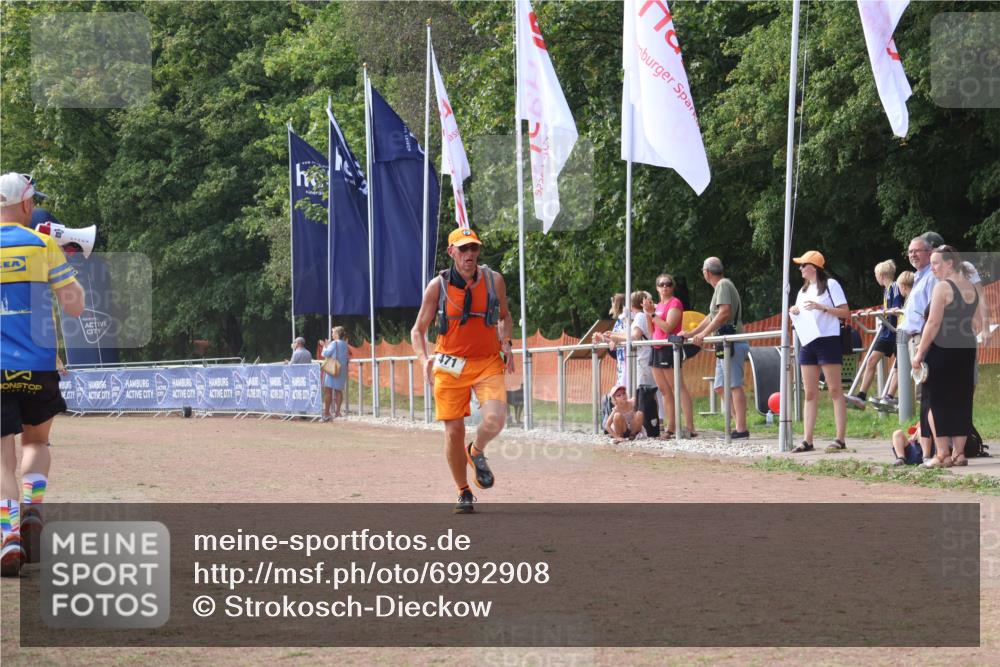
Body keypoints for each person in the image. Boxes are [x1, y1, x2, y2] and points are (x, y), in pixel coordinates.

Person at [1, 173, 85, 576]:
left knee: (1, 458)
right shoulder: (43, 244)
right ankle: (32, 511)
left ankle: (8, 536)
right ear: (28, 205)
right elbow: (75, 307)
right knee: (37, 441)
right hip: (37, 363)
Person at [411, 227, 514, 514]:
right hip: (448, 364)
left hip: (486, 361)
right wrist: (423, 360)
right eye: (463, 248)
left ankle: (476, 451)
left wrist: (506, 342)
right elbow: (418, 330)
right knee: (453, 432)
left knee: (495, 418)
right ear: (451, 252)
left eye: (474, 249)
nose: (469, 254)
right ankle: (463, 491)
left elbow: (505, 317)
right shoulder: (437, 286)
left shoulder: (494, 281)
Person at [911, 245, 982, 468]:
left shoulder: (942, 287)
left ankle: (942, 454)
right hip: (966, 348)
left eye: (936, 263)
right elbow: (977, 324)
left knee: (935, 400)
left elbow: (932, 323)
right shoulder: (971, 287)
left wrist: (919, 352)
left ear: (949, 263)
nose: (932, 268)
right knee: (961, 399)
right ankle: (959, 454)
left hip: (942, 349)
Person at [788, 250, 851, 453]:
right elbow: (799, 312)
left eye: (802, 265)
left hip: (828, 339)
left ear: (813, 267)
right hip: (808, 340)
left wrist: (822, 307)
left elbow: (845, 312)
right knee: (810, 392)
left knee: (834, 389)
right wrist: (793, 311)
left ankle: (840, 438)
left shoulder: (831, 285)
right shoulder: (803, 290)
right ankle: (808, 439)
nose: (800, 268)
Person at [684, 257, 750, 439]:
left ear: (706, 273)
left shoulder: (722, 285)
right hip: (723, 343)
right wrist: (691, 333)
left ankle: (741, 429)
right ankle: (738, 425)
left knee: (734, 385)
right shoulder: (720, 288)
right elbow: (711, 316)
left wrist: (703, 334)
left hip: (732, 342)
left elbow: (724, 313)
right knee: (720, 386)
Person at [600, 290, 660, 437]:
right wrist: (613, 336)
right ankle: (653, 423)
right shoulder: (643, 316)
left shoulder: (639, 316)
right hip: (646, 357)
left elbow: (633, 336)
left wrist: (614, 337)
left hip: (643, 359)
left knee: (646, 393)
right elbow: (630, 335)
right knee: (650, 393)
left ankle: (651, 424)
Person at [848, 260, 903, 410]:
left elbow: (897, 307)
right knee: (871, 360)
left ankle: (890, 396)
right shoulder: (886, 290)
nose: (875, 277)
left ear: (882, 275)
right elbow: (886, 307)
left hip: (895, 330)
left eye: (876, 275)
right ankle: (861, 396)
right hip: (886, 331)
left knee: (899, 365)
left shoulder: (895, 287)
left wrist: (884, 313)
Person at [644, 274, 695, 438]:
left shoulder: (675, 303)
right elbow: (652, 332)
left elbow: (668, 327)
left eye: (668, 284)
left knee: (678, 387)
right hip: (657, 348)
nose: (664, 286)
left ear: (672, 286)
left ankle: (689, 427)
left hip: (669, 348)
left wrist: (652, 315)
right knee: (664, 390)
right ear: (657, 287)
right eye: (661, 284)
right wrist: (648, 314)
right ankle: (670, 427)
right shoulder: (657, 306)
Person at [593, 293, 627, 386]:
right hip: (621, 361)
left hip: (627, 361)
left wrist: (611, 339)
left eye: (612, 302)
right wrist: (602, 338)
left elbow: (623, 338)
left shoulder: (626, 319)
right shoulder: (619, 321)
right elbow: (615, 341)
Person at [320, 327, 349, 421]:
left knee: (328, 390)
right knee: (338, 390)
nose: (332, 334)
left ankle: (327, 412)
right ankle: (337, 412)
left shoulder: (334, 343)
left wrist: (324, 346)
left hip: (332, 369)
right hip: (342, 369)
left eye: (333, 332)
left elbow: (325, 354)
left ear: (337, 334)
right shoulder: (345, 344)